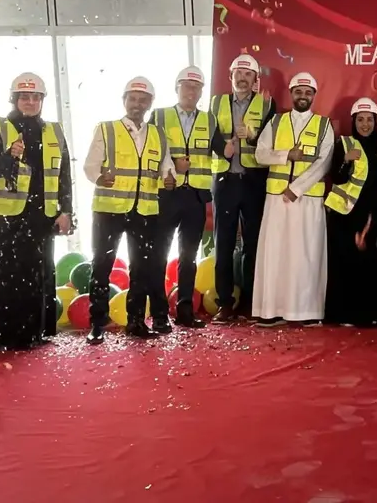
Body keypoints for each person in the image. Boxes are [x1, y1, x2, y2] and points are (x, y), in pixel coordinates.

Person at [0, 72, 74, 351]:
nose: (31, 102)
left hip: (40, 216)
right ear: (14, 99)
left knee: (34, 276)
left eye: (36, 97)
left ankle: (28, 335)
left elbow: (63, 175)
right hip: (1, 217)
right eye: (25, 97)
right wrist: (8, 156)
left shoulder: (54, 131)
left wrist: (66, 211)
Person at [83, 77, 175, 345]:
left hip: (144, 211)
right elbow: (90, 166)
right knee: (102, 266)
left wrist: (169, 177)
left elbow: (166, 166)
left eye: (143, 100)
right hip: (109, 209)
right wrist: (99, 177)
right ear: (124, 101)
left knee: (142, 268)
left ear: (150, 104)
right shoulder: (107, 130)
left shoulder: (158, 134)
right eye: (133, 98)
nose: (137, 104)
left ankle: (136, 321)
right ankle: (97, 324)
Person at [253, 72, 335, 326]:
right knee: (276, 253)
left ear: (314, 96)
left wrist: (297, 188)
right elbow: (260, 154)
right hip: (277, 198)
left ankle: (306, 312)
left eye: (308, 92)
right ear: (291, 94)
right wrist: (286, 155)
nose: (303, 96)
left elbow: (325, 163)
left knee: (306, 256)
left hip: (307, 200)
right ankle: (272, 311)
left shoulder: (324, 125)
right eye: (298, 91)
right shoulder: (276, 121)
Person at [151, 66, 227, 328]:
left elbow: (224, 151)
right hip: (167, 194)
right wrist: (173, 166)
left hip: (195, 198)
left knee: (188, 257)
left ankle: (185, 311)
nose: (191, 91)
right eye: (186, 85)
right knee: (159, 255)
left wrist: (239, 139)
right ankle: (159, 315)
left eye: (196, 87)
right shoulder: (159, 116)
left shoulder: (209, 120)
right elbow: (149, 151)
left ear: (202, 91)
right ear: (177, 87)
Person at [209, 53, 273, 321]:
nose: (243, 78)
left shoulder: (267, 104)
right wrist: (221, 148)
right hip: (225, 181)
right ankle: (225, 303)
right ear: (230, 76)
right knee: (223, 243)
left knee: (253, 243)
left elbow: (272, 141)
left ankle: (250, 302)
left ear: (256, 79)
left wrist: (254, 137)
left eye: (248, 74)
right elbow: (209, 134)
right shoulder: (216, 102)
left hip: (253, 182)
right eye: (239, 73)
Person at [324, 97, 377, 327]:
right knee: (346, 265)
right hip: (346, 216)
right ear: (353, 122)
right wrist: (345, 160)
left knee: (371, 266)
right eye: (360, 120)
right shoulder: (345, 143)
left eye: (369, 120)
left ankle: (370, 314)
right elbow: (336, 177)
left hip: (373, 216)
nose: (365, 124)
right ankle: (344, 315)